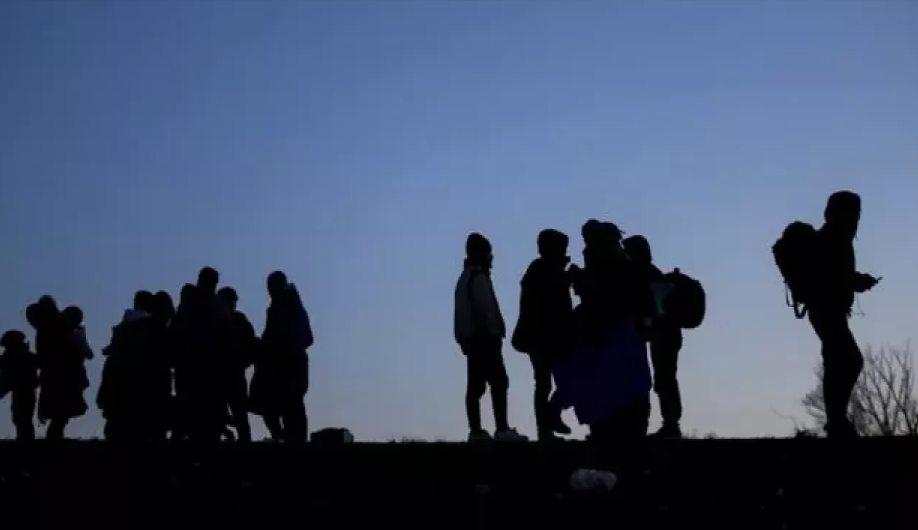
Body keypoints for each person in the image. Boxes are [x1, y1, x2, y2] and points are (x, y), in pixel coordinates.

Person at [809, 191, 880, 438]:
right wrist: (856, 281)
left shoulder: (835, 237)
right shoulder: (833, 238)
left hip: (829, 310)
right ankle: (836, 421)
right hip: (826, 310)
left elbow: (835, 275)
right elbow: (831, 276)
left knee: (837, 361)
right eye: (853, 213)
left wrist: (855, 281)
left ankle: (836, 421)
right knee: (849, 360)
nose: (856, 219)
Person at [454, 233, 527, 442]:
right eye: (488, 254)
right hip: (484, 339)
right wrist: (494, 332)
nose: (491, 258)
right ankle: (501, 428)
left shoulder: (465, 278)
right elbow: (485, 309)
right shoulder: (477, 278)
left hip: (473, 340)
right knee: (498, 382)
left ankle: (476, 430)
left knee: (476, 386)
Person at [511, 229, 573, 441]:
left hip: (545, 338)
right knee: (551, 382)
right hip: (545, 338)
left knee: (555, 382)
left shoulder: (542, 270)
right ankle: (546, 425)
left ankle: (547, 422)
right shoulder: (543, 271)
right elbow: (552, 304)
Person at [624, 235, 684, 438]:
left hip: (662, 333)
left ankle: (671, 423)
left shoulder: (644, 274)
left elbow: (651, 308)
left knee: (664, 378)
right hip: (665, 333)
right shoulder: (651, 273)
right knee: (665, 377)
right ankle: (670, 422)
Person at [259, 271, 313, 442]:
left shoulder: (290, 309)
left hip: (291, 367)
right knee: (275, 408)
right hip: (283, 367)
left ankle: (292, 445)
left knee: (290, 409)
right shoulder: (281, 308)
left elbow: (307, 338)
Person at [30, 296, 88, 440]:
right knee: (61, 411)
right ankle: (55, 437)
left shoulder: (47, 328)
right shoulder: (60, 327)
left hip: (58, 373)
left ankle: (54, 437)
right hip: (64, 373)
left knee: (60, 410)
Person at [217, 286, 257, 443]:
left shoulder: (219, 320)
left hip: (222, 375)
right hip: (232, 375)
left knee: (224, 416)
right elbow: (253, 347)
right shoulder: (240, 320)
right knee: (239, 417)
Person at [0, 330, 39, 440]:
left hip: (24, 391)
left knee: (22, 418)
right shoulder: (25, 356)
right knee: (22, 418)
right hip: (25, 390)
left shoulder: (19, 356)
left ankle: (25, 443)